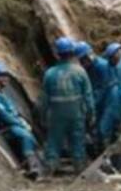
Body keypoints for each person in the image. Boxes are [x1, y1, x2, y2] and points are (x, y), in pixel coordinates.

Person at [39, 36, 95, 174]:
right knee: (77, 142)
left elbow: (44, 100)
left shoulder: (50, 74)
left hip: (56, 115)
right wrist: (91, 114)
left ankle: (49, 171)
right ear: (73, 53)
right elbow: (88, 96)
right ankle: (79, 171)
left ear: (58, 53)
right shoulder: (80, 71)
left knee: (54, 142)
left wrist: (42, 117)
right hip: (76, 114)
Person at [0, 62, 42, 177]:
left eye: (6, 76)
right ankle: (32, 166)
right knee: (24, 135)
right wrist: (20, 124)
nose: (5, 79)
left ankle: (32, 162)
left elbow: (12, 112)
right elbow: (3, 115)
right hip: (5, 128)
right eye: (2, 76)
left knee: (30, 135)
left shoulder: (2, 94)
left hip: (13, 124)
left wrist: (22, 122)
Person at [77, 42, 121, 150]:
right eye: (81, 60)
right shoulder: (89, 69)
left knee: (104, 128)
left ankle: (107, 154)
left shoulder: (102, 66)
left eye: (84, 59)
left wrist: (90, 103)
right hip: (102, 100)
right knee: (98, 128)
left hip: (111, 98)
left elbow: (103, 88)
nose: (83, 62)